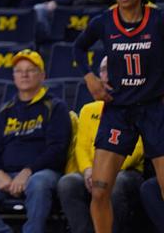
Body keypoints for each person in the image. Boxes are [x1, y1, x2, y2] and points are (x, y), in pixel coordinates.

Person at [72, 0, 164, 233]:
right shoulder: (104, 21)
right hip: (118, 110)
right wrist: (89, 77)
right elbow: (78, 47)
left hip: (154, 108)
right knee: (99, 191)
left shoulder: (157, 20)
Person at [0, 49, 69, 233]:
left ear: (42, 75)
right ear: (14, 77)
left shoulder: (55, 107)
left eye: (30, 70)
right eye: (19, 70)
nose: (24, 74)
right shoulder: (3, 111)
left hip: (41, 173)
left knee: (38, 183)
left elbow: (57, 149)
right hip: (7, 175)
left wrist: (28, 171)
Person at [57, 57, 146, 233]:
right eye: (104, 69)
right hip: (92, 172)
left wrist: (105, 171)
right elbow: (81, 147)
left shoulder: (137, 104)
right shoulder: (88, 110)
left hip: (126, 172)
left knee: (116, 183)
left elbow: (138, 149)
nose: (108, 73)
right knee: (68, 183)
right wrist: (88, 170)